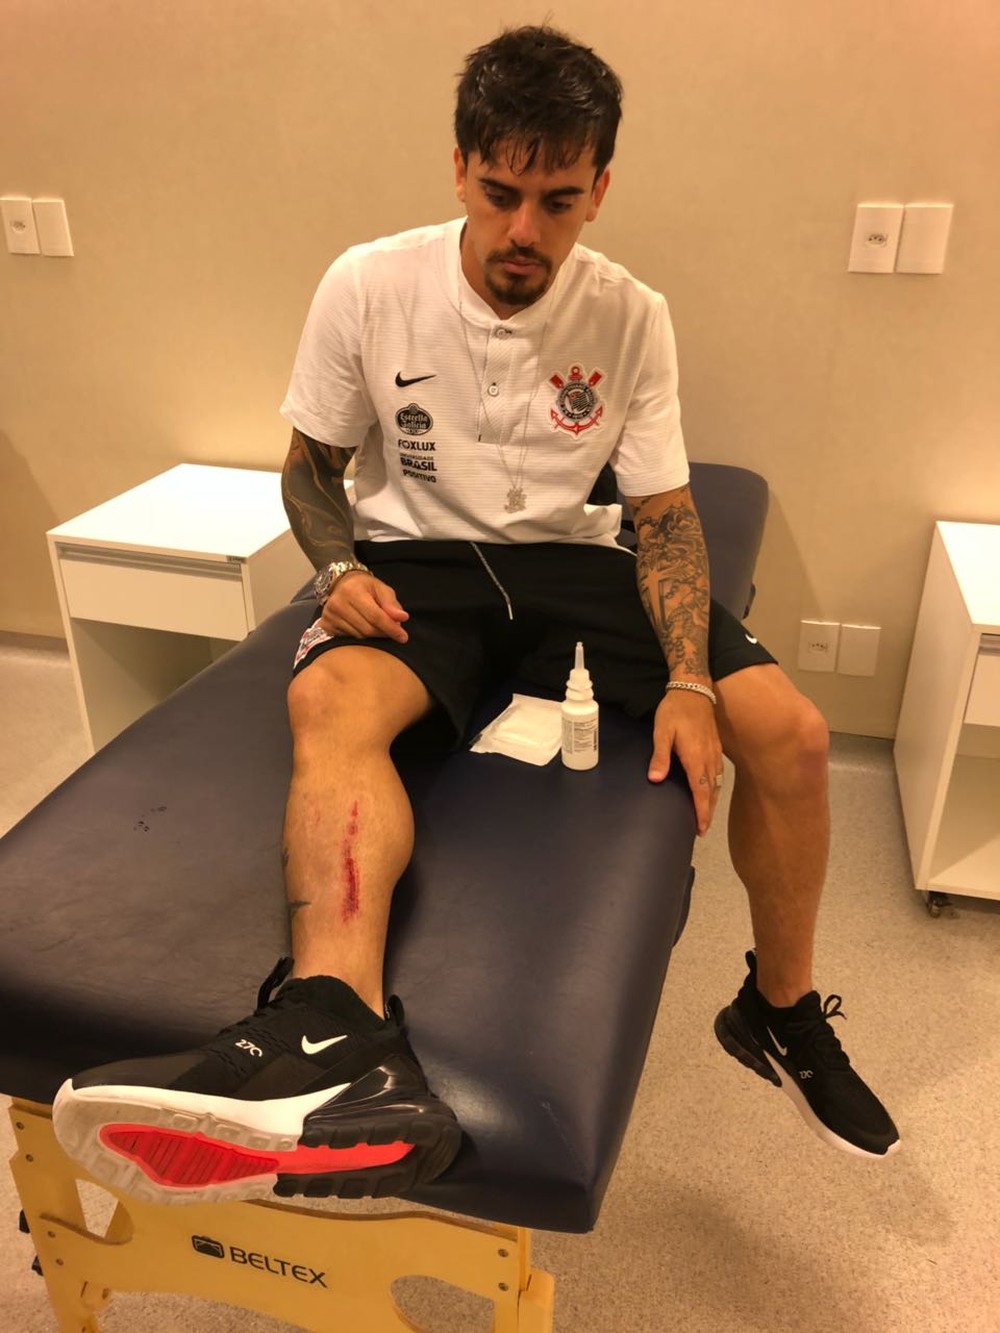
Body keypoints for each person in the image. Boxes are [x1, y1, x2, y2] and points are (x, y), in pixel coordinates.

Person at [52, 25, 899, 1207]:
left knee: (794, 735)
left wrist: (690, 679)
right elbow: (310, 469)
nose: (522, 232)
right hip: (420, 562)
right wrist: (333, 566)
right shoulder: (368, 284)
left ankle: (777, 1008)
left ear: (599, 188)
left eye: (558, 201)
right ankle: (334, 1031)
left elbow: (663, 515)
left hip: (576, 564)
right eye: (500, 193)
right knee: (327, 702)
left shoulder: (630, 314)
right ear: (459, 169)